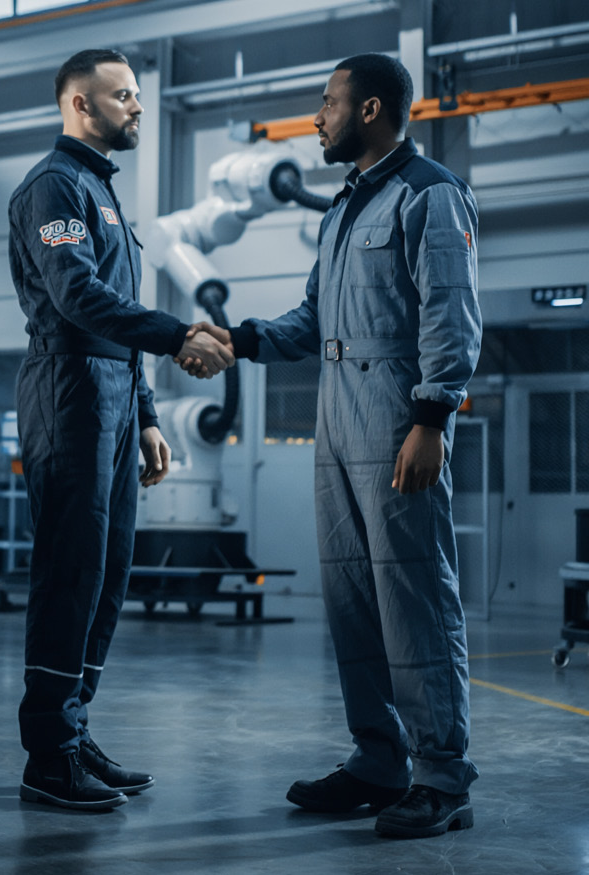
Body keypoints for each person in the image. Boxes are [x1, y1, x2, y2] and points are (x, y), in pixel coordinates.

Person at [182, 53, 481, 838]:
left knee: (413, 595)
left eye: (327, 103)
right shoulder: (342, 210)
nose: (317, 118)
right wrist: (237, 339)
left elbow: (451, 313)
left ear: (372, 109)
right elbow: (311, 323)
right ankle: (379, 759)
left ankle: (443, 778)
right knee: (353, 598)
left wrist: (433, 417)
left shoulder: (431, 195)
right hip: (335, 412)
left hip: (395, 412)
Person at [8, 48, 233, 811]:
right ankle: (47, 754)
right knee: (69, 570)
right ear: (80, 104)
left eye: (136, 95)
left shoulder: (100, 192)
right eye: (124, 95)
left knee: (105, 573)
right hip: (67, 388)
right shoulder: (55, 187)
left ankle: (72, 729)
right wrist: (178, 335)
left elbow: (115, 319)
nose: (137, 107)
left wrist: (144, 416)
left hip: (109, 394)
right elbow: (77, 298)